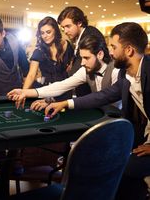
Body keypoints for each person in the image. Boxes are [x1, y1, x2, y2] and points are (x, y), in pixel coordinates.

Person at [44, 22, 150, 200]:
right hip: (143, 137)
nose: (110, 52)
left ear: (129, 50)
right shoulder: (126, 74)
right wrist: (66, 103)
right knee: (115, 167)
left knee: (122, 169)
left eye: (114, 47)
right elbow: (104, 96)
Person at [7, 34, 120, 110]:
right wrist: (25, 92)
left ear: (100, 54)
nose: (82, 63)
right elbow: (61, 86)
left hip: (117, 118)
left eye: (87, 58)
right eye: (82, 58)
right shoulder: (85, 70)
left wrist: (66, 103)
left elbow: (103, 98)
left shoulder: (116, 70)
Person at [57, 6, 106, 96]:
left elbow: (78, 71)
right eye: (63, 28)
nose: (65, 31)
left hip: (95, 95)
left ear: (79, 23)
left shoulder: (89, 35)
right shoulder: (82, 35)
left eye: (68, 26)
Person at [23, 16, 73, 91]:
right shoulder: (39, 51)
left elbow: (73, 65)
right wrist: (23, 92)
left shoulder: (66, 45)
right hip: (47, 91)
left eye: (48, 32)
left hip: (65, 90)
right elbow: (31, 75)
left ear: (55, 30)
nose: (45, 36)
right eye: (42, 33)